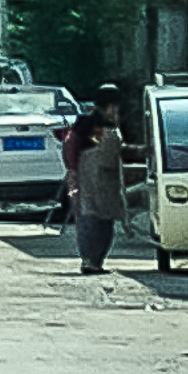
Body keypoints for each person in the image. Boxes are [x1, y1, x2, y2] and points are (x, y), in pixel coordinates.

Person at [65, 87, 129, 277]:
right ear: (107, 106)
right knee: (90, 220)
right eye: (114, 107)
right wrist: (72, 173)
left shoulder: (107, 126)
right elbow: (74, 147)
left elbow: (114, 149)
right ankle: (89, 261)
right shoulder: (89, 126)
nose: (115, 111)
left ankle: (97, 261)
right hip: (88, 182)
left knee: (105, 222)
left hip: (107, 183)